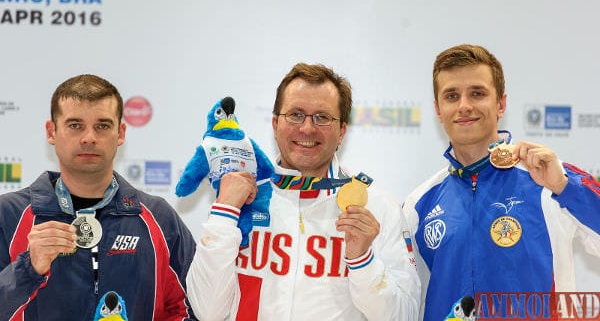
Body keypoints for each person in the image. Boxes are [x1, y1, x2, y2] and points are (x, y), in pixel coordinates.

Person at [186, 63, 420, 320]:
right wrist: (223, 212)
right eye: (295, 115)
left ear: (342, 131)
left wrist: (363, 261)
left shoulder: (377, 206)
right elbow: (206, 311)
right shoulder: (240, 199)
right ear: (275, 124)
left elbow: (404, 316)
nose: (307, 128)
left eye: (322, 117)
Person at [402, 44, 600, 321]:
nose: (464, 106)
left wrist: (566, 187)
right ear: (438, 109)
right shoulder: (418, 203)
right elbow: (409, 300)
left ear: (501, 104)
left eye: (477, 93)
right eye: (451, 96)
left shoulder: (548, 179)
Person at [0, 74, 197, 320]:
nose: (89, 137)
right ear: (51, 132)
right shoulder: (8, 215)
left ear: (120, 132)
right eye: (75, 125)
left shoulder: (158, 217)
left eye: (102, 126)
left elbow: (192, 308)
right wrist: (28, 268)